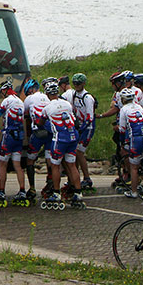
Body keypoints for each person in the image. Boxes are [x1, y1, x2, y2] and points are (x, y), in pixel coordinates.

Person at [38, 80, 84, 209]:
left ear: (47, 94)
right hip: (72, 136)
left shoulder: (47, 108)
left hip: (59, 139)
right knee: (72, 165)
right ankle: (78, 192)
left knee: (55, 165)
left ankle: (56, 193)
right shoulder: (67, 104)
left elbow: (40, 122)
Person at [0, 79, 27, 206]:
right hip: (19, 136)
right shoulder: (20, 101)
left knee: (3, 165)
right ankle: (22, 190)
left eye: (1, 92)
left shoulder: (7, 100)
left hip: (8, 136)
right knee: (17, 165)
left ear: (5, 90)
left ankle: (1, 191)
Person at [117, 88, 143, 198]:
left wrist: (122, 142)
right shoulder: (139, 107)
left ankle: (134, 192)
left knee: (134, 167)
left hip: (136, 138)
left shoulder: (123, 109)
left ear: (123, 99)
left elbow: (122, 129)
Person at [69, 73, 97, 192]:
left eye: (78, 84)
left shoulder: (87, 97)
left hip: (88, 128)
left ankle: (87, 177)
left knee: (79, 152)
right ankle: (74, 178)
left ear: (83, 84)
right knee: (75, 153)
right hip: (79, 126)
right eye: (74, 84)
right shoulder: (74, 94)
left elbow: (90, 117)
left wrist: (82, 127)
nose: (76, 86)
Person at [24, 78, 50, 200]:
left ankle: (32, 188)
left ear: (30, 90)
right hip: (50, 131)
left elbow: (23, 113)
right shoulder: (47, 96)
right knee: (50, 160)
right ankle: (51, 185)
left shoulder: (29, 98)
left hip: (37, 132)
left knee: (30, 160)